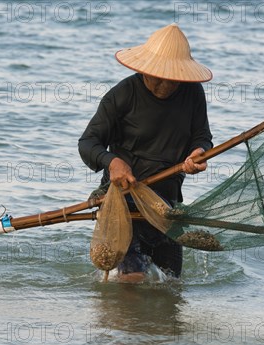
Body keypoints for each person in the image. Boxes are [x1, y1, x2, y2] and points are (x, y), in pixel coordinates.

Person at [78, 24, 213, 283]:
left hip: (165, 206)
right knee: (132, 277)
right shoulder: (123, 95)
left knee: (172, 285)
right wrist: (112, 161)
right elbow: (88, 143)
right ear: (143, 69)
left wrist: (199, 152)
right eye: (157, 75)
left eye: (172, 77)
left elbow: (201, 137)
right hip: (124, 203)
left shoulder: (193, 93)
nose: (164, 84)